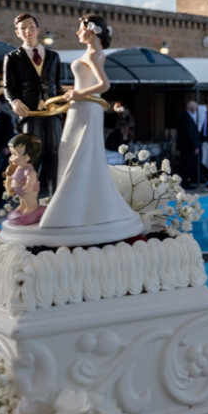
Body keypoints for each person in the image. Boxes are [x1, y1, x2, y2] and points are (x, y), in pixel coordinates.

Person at [29, 14, 143, 243]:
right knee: (72, 152)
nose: (77, 32)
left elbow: (104, 85)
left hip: (86, 106)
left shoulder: (93, 53)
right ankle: (75, 206)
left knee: (75, 153)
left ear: (92, 30)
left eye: (80, 29)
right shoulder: (93, 53)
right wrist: (73, 95)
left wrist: (76, 93)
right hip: (81, 107)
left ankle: (70, 209)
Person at [3, 13, 61, 197]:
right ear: (17, 32)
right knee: (30, 157)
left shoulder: (53, 56)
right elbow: (8, 87)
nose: (27, 31)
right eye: (23, 28)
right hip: (29, 113)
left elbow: (57, 85)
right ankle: (29, 201)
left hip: (52, 113)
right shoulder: (12, 58)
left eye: (31, 27)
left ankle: (55, 200)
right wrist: (14, 101)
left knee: (55, 155)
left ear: (37, 29)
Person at [3, 133, 46, 225]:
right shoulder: (18, 167)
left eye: (14, 154)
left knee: (29, 199)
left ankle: (31, 207)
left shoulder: (29, 170)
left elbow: (32, 177)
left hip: (28, 191)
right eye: (11, 154)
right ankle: (23, 205)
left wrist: (28, 185)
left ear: (26, 157)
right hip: (20, 191)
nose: (11, 158)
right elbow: (12, 176)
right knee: (22, 199)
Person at [177, 101, 202, 188]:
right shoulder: (186, 118)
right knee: (187, 164)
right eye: (195, 108)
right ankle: (186, 183)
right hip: (187, 146)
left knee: (187, 164)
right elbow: (189, 133)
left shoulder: (186, 117)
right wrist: (195, 146)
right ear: (192, 109)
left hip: (186, 146)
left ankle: (188, 181)